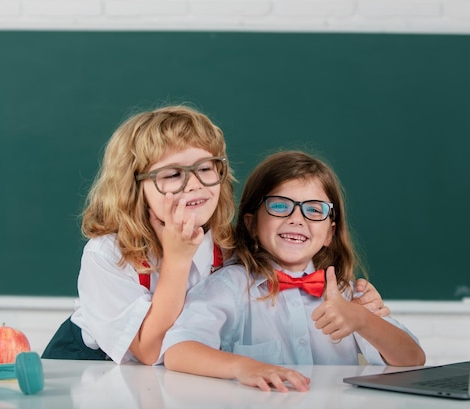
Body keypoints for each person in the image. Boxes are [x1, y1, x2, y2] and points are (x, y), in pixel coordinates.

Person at [42, 106, 388, 365]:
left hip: (174, 375)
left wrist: (362, 303)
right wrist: (176, 260)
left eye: (206, 168)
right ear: (134, 186)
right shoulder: (107, 254)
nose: (194, 184)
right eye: (173, 174)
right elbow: (147, 351)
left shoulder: (231, 248)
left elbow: (294, 270)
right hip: (92, 368)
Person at [162, 150, 426, 391]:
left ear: (329, 234)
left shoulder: (345, 294)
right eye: (279, 205)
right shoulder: (230, 286)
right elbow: (177, 350)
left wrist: (362, 319)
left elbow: (412, 360)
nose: (297, 219)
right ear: (252, 224)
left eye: (313, 209)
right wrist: (243, 366)